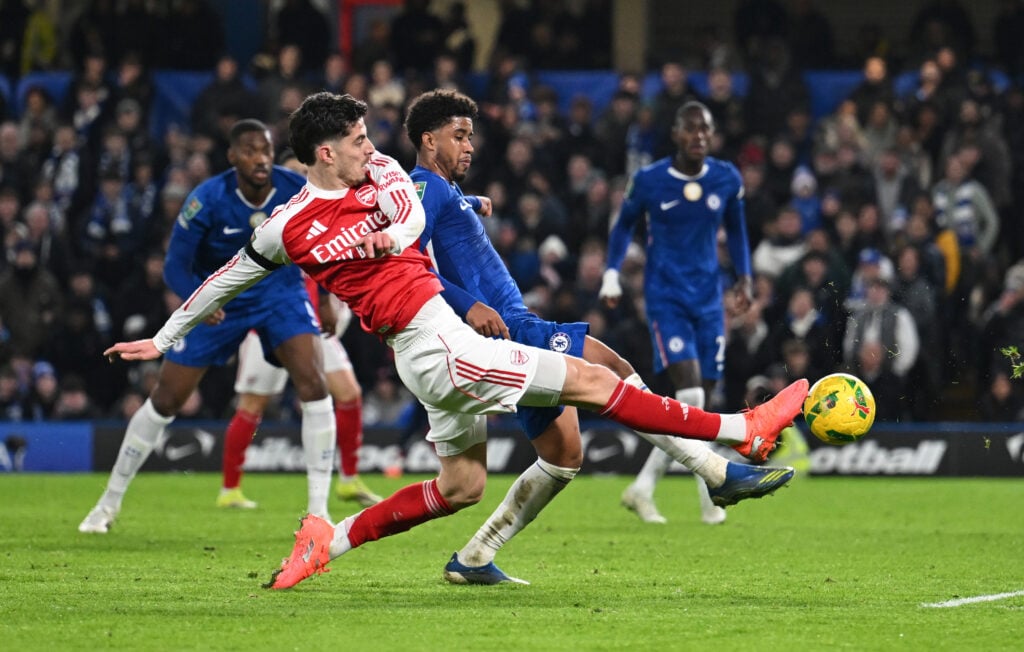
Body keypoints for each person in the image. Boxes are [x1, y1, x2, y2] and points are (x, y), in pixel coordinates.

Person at [101, 92, 808, 590]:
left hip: (432, 341)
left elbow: (409, 213)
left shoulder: (385, 177)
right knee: (601, 382)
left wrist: (397, 232)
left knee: (464, 484)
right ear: (324, 150)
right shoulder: (286, 226)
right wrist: (163, 338)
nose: (371, 148)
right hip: (437, 345)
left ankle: (330, 537)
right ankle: (737, 436)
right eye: (356, 139)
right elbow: (225, 278)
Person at [406, 88, 796, 584]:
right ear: (427, 138)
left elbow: (442, 220)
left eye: (471, 136)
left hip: (508, 325)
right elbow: (408, 264)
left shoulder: (443, 191)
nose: (470, 146)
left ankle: (476, 557)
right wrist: (469, 304)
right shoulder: (426, 188)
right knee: (612, 369)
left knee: (564, 456)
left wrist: (471, 200)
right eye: (459, 136)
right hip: (507, 326)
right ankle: (715, 471)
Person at [79, 120, 336, 534]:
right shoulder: (206, 200)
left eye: (267, 150)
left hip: (280, 295)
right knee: (167, 399)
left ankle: (320, 512)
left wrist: (322, 297)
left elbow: (323, 240)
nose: (262, 158)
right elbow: (175, 266)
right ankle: (106, 505)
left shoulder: (295, 187)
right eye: (251, 150)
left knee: (313, 381)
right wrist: (197, 298)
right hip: (220, 299)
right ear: (232, 157)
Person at [600, 101, 755, 526]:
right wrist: (611, 273)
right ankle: (710, 498)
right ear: (676, 135)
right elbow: (623, 226)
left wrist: (745, 277)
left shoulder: (726, 177)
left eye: (705, 130)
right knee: (692, 397)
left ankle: (642, 488)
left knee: (697, 408)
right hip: (666, 297)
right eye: (691, 130)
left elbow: (739, 229)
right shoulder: (650, 181)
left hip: (709, 299)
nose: (699, 137)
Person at [221, 283, 382, 509]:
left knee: (349, 394)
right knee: (251, 405)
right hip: (269, 327)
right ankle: (229, 489)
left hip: (313, 327)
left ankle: (349, 480)